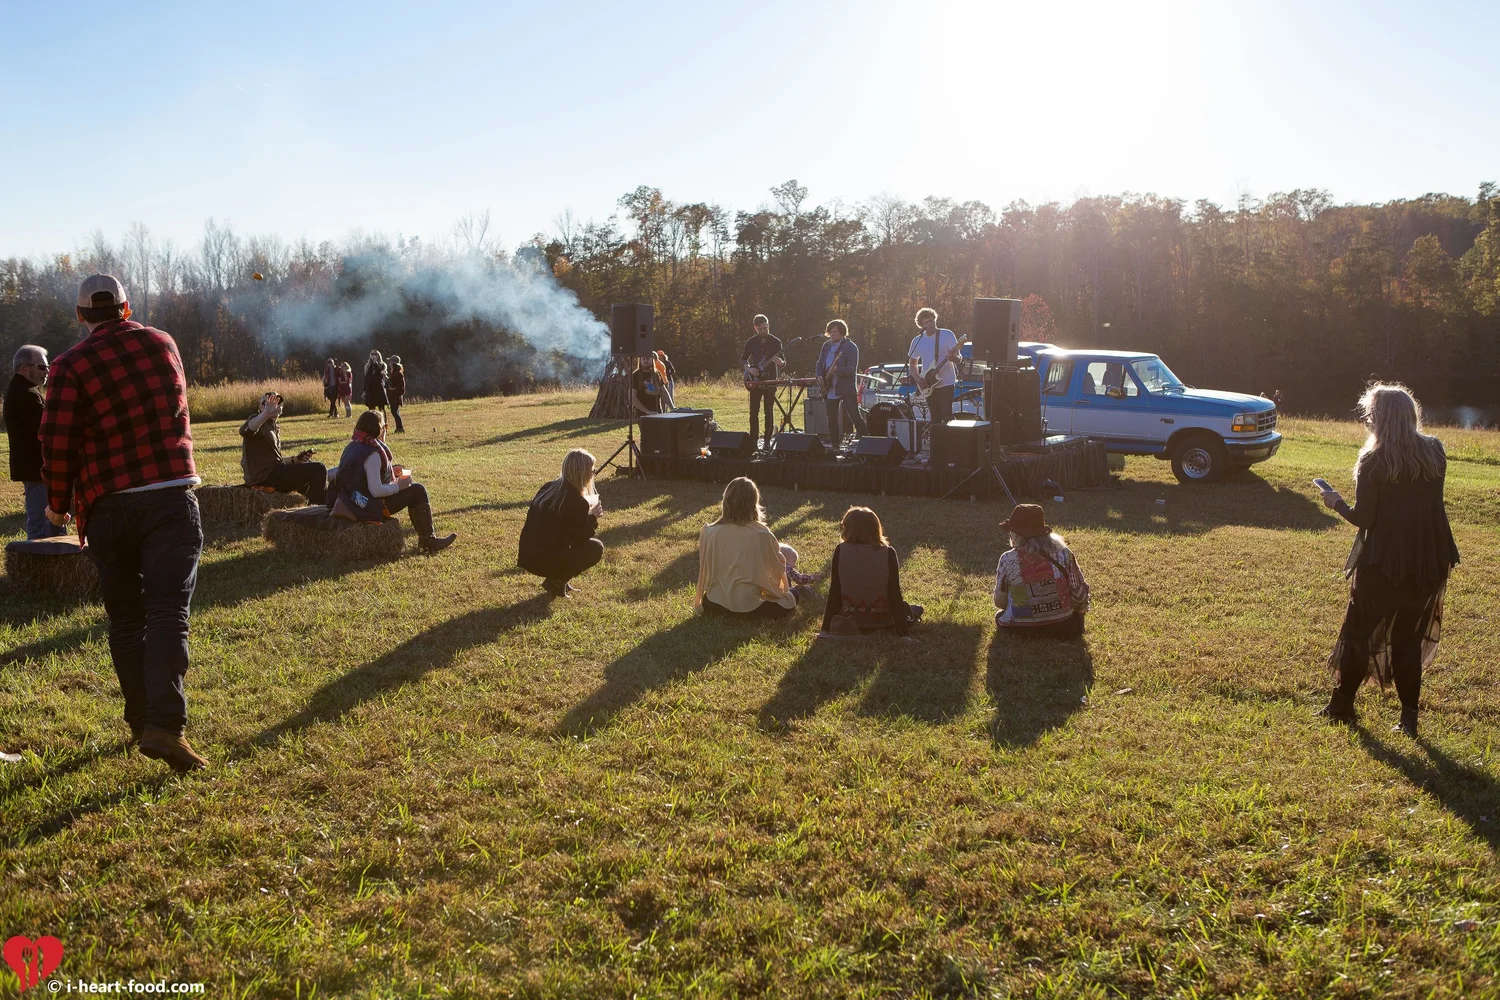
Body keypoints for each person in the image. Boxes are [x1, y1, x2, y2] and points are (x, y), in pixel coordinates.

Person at [39, 274, 207, 772]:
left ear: (80, 316)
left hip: (107, 505)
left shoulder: (68, 365)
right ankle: (165, 726)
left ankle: (141, 720)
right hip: (170, 495)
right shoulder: (163, 343)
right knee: (168, 614)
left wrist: (58, 504)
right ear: (127, 308)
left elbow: (58, 440)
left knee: (128, 621)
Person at [1317, 383, 1460, 737]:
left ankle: (1342, 706)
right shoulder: (1435, 452)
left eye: (1370, 415)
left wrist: (1335, 502)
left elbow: (1364, 518)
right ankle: (1408, 720)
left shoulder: (1373, 461)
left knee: (1359, 632)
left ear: (1379, 419)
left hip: (1383, 562)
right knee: (1407, 638)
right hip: (1427, 560)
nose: (1367, 420)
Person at [333, 410, 456, 553]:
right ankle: (428, 540)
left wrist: (390, 472)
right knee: (418, 491)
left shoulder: (353, 446)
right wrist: (398, 486)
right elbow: (376, 490)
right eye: (384, 426)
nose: (385, 429)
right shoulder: (373, 454)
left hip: (350, 499)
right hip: (367, 506)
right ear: (379, 429)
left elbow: (360, 475)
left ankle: (427, 540)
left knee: (414, 490)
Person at [695, 477, 797, 619]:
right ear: (753, 503)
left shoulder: (709, 532)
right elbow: (775, 573)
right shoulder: (762, 534)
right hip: (749, 607)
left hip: (713, 603)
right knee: (793, 596)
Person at [821, 506, 922, 637]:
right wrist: (904, 635)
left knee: (911, 608)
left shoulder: (841, 551)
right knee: (914, 609)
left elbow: (835, 591)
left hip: (849, 620)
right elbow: (894, 594)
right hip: (883, 620)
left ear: (848, 529)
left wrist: (825, 628)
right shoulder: (888, 553)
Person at [992, 504, 1090, 638]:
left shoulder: (1007, 559)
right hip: (1065, 627)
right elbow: (1079, 595)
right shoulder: (1064, 554)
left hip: (1020, 629)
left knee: (999, 615)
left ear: (1016, 534)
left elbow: (1000, 602)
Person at [518, 448, 605, 598]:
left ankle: (560, 578)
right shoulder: (577, 501)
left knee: (564, 547)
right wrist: (593, 517)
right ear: (581, 472)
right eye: (592, 470)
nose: (594, 473)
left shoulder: (548, 488)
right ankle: (557, 581)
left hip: (528, 556)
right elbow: (580, 538)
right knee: (595, 547)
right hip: (544, 560)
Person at [5, 345, 64, 539]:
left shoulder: (24, 390)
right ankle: (39, 554)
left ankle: (55, 552)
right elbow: (47, 429)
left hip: (34, 466)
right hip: (36, 467)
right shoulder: (26, 394)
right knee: (42, 523)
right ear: (24, 368)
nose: (47, 371)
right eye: (42, 367)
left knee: (49, 520)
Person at [239, 390, 327, 505]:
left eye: (278, 403)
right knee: (319, 469)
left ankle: (308, 509)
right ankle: (318, 510)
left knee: (310, 471)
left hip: (273, 472)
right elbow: (245, 431)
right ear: (261, 407)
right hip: (263, 477)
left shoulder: (274, 427)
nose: (274, 406)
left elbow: (275, 461)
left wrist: (296, 459)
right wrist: (266, 413)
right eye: (268, 403)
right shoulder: (257, 420)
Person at [815, 320, 867, 450]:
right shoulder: (826, 346)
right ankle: (835, 446)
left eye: (835, 332)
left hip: (846, 388)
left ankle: (867, 441)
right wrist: (819, 376)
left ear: (842, 333)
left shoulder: (850, 347)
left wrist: (838, 370)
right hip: (829, 387)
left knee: (854, 415)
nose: (832, 334)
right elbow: (819, 363)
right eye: (830, 332)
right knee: (831, 419)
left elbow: (852, 368)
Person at [907, 307, 961, 426]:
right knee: (935, 416)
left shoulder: (947, 335)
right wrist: (917, 378)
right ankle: (936, 438)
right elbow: (912, 363)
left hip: (947, 382)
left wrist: (953, 358)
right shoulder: (917, 341)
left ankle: (951, 436)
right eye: (926, 322)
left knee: (946, 413)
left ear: (935, 320)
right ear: (921, 325)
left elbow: (959, 358)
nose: (929, 324)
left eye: (931, 321)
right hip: (928, 383)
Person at [741, 315, 784, 450]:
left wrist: (781, 363)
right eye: (760, 329)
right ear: (755, 328)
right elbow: (743, 359)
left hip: (770, 380)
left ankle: (767, 440)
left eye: (765, 328)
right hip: (755, 381)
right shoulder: (751, 342)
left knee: (768, 411)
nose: (763, 331)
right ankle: (753, 440)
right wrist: (749, 369)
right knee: (754, 411)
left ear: (768, 325)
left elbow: (783, 362)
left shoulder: (776, 342)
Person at [386, 355, 406, 433]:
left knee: (394, 412)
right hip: (394, 396)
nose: (389, 363)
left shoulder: (398, 373)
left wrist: (393, 389)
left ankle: (400, 428)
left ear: (393, 363)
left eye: (390, 362)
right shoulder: (395, 372)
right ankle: (399, 428)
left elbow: (401, 387)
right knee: (395, 412)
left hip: (396, 397)